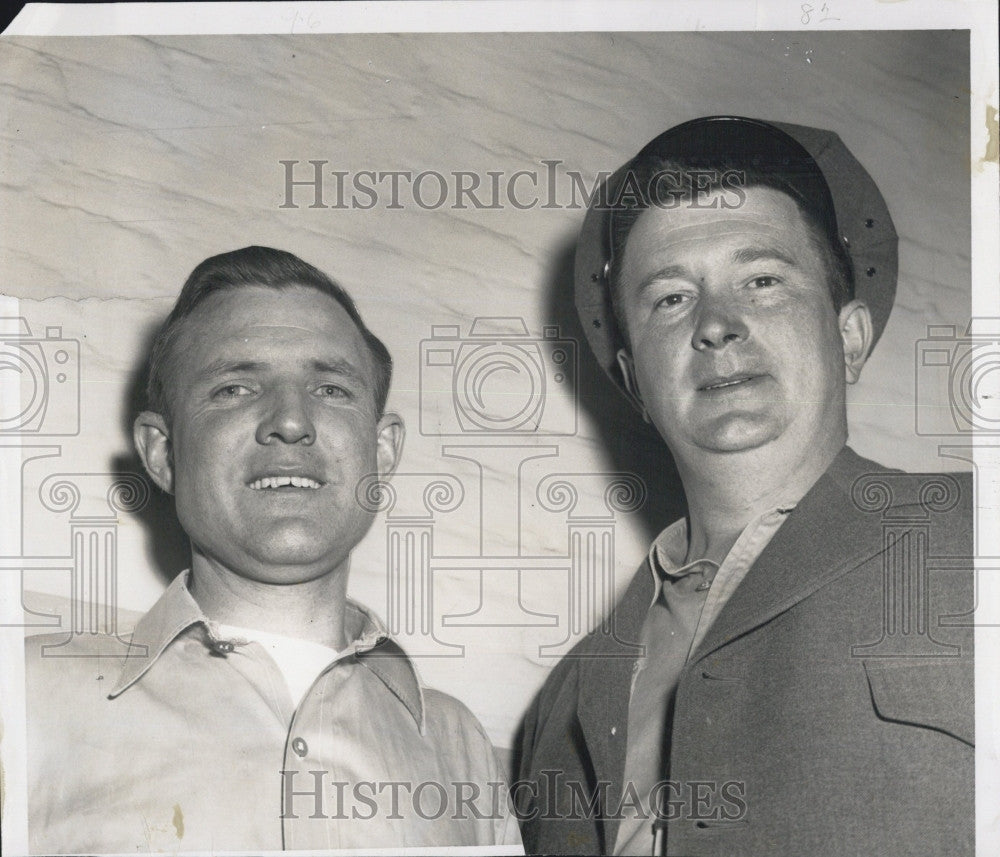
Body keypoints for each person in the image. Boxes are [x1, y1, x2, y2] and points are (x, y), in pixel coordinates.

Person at [516, 117, 973, 856]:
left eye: (762, 280)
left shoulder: (976, 547)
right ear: (635, 380)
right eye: (670, 298)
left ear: (848, 336)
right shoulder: (566, 701)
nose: (717, 325)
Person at [25, 246, 522, 853]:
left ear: (382, 450)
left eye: (331, 389)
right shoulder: (25, 697)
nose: (291, 421)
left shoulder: (457, 746)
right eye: (235, 388)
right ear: (162, 453)